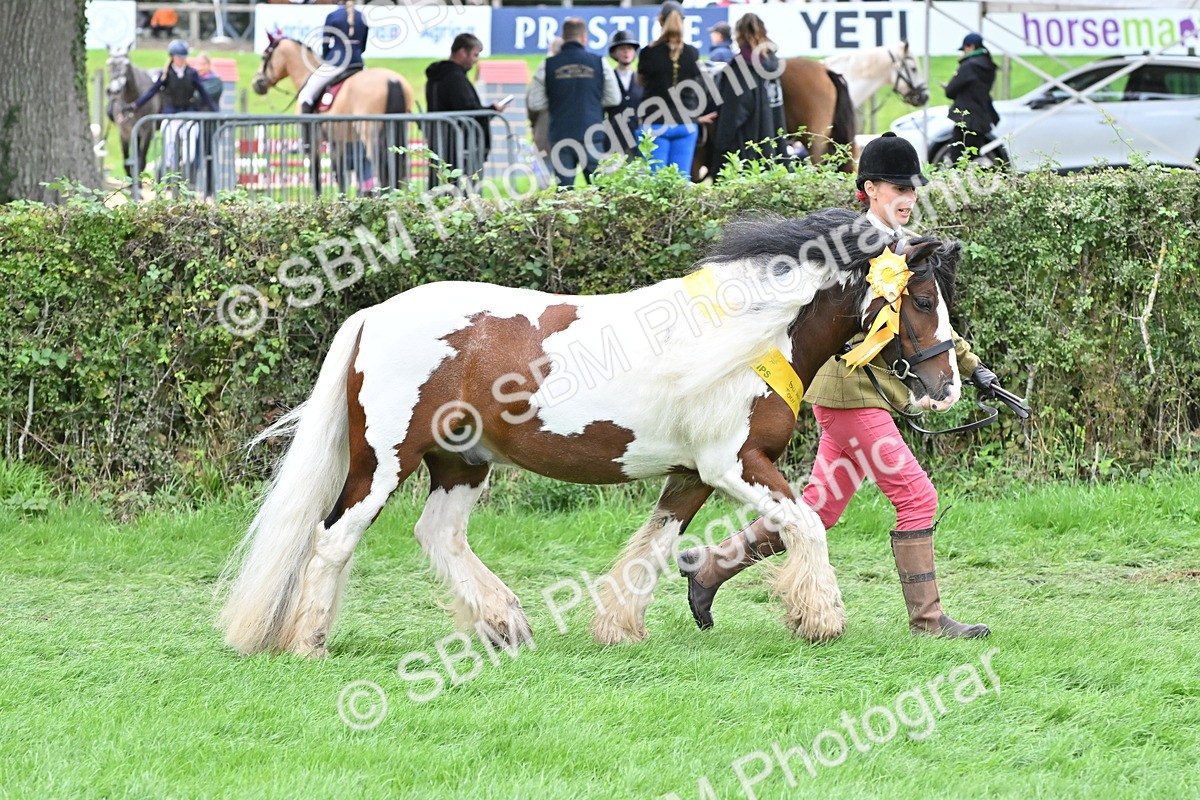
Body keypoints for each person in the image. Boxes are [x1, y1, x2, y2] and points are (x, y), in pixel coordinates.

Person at [679, 132, 1004, 640]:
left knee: (819, 509)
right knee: (917, 496)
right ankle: (929, 621)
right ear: (870, 188)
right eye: (897, 187)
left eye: (913, 188)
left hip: (854, 400)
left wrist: (975, 367)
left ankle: (710, 568)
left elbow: (926, 321)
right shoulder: (853, 247)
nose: (907, 197)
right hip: (850, 396)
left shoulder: (901, 249)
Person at [527, 18, 620, 186]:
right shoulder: (599, 63)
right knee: (599, 191)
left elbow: (535, 102)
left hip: (561, 135)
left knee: (563, 192)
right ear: (584, 37)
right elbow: (614, 98)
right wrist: (591, 104)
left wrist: (558, 101)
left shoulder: (547, 65)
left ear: (564, 36)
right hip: (592, 133)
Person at [124, 40, 217, 178]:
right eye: (179, 57)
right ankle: (170, 180)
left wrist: (214, 110)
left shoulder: (191, 73)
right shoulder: (166, 75)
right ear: (172, 57)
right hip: (171, 115)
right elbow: (152, 91)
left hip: (188, 115)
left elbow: (203, 93)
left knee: (188, 153)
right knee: (170, 151)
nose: (181, 60)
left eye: (184, 57)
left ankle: (186, 179)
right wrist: (136, 105)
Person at [708, 14, 787, 177]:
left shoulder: (741, 67)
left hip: (747, 152)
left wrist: (720, 148)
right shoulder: (772, 64)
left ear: (738, 35)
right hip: (774, 148)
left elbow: (734, 113)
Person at [425, 33, 509, 185]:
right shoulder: (455, 77)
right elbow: (468, 109)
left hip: (438, 142)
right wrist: (492, 110)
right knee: (460, 190)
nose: (476, 60)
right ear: (462, 52)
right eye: (475, 55)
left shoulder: (435, 76)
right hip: (459, 148)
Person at [636, 1, 702, 177]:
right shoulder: (692, 53)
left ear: (660, 21)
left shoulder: (647, 53)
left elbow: (641, 82)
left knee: (654, 182)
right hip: (685, 122)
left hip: (655, 120)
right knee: (681, 181)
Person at [298, 0, 368, 114]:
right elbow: (362, 47)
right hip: (358, 64)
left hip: (337, 63)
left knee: (306, 94)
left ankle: (308, 130)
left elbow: (325, 43)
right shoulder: (362, 17)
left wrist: (326, 58)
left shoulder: (333, 16)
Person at [943, 32, 1000, 162]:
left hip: (966, 119)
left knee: (957, 158)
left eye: (964, 49)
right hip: (982, 119)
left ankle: (961, 182)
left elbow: (950, 91)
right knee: (974, 157)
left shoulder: (968, 66)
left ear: (971, 46)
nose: (963, 52)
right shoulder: (989, 65)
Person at [527, 36, 563, 181]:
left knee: (543, 184)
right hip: (567, 136)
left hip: (543, 131)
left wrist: (532, 124)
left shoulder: (544, 68)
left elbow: (532, 103)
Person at [605, 29, 644, 159]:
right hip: (613, 138)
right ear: (614, 52)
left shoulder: (642, 78)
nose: (626, 52)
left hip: (637, 137)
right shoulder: (608, 78)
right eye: (622, 48)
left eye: (630, 48)